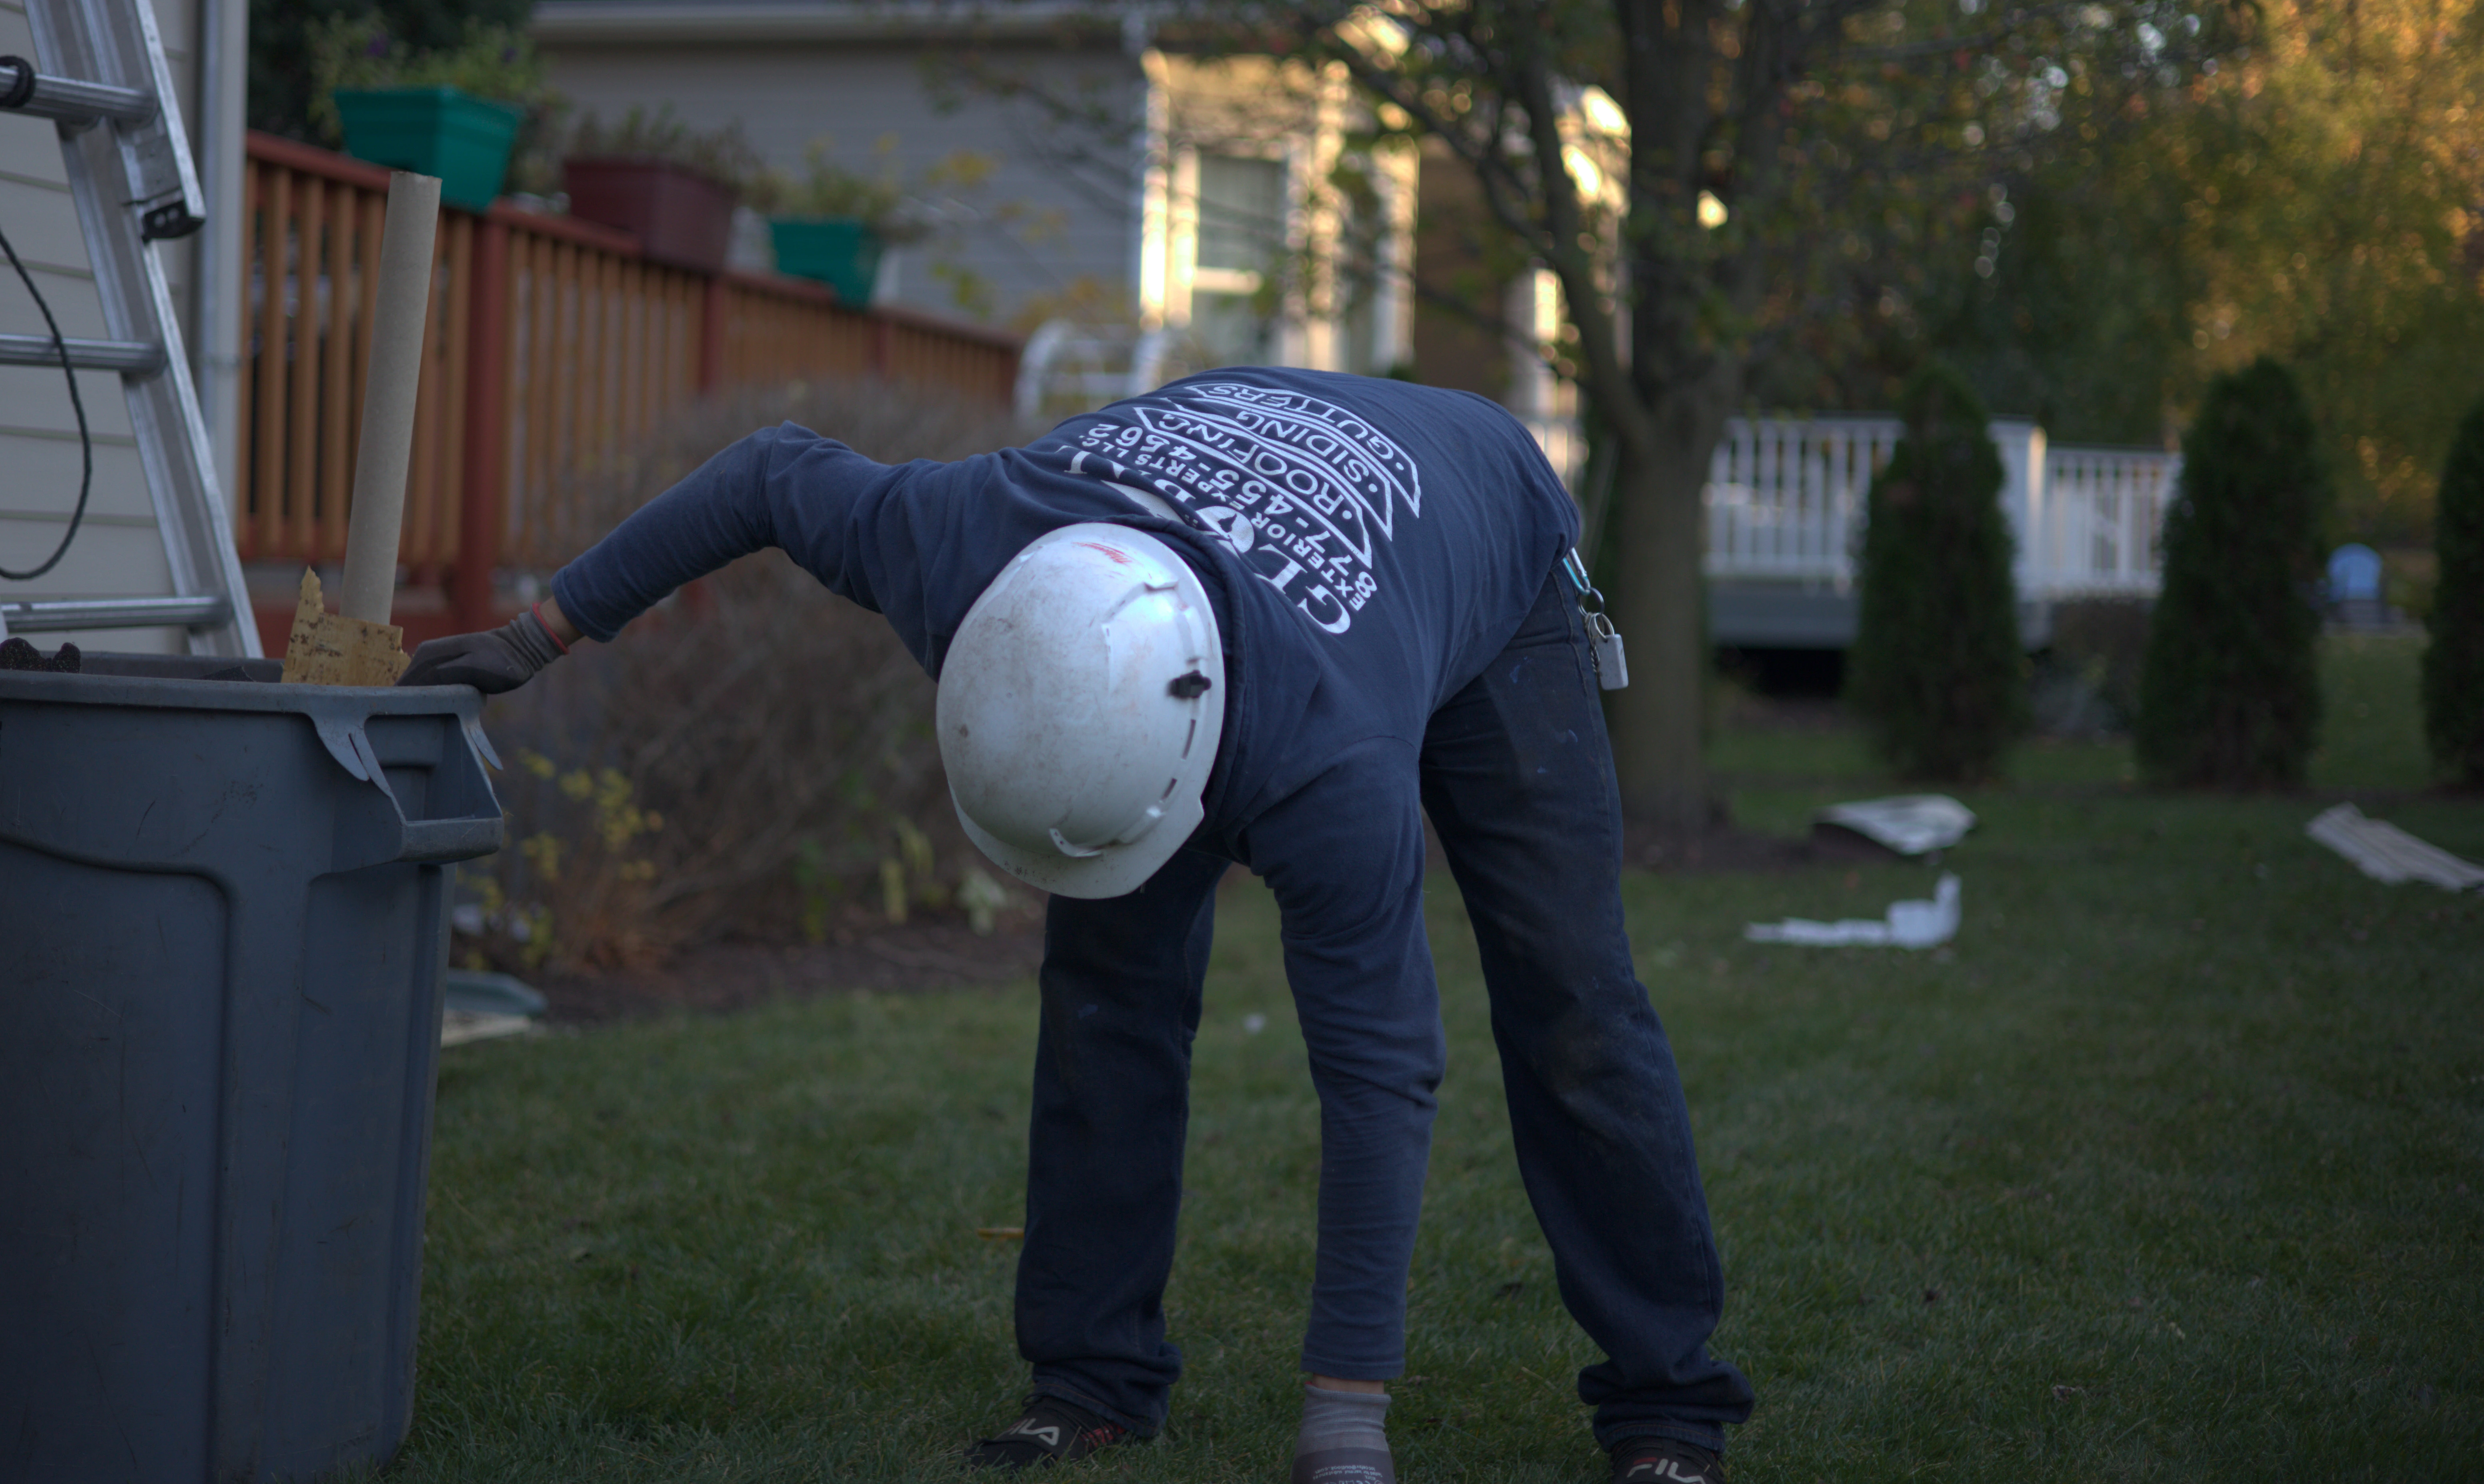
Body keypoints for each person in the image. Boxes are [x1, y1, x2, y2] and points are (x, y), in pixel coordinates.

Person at [404, 367, 1753, 1482]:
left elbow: (1380, 1072)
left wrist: (1346, 1425)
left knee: (1567, 989)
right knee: (1107, 988)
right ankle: (1091, 1378)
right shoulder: (955, 539)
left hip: (1477, 532)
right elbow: (766, 471)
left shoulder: (1327, 764)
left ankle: (1666, 1405)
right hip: (1194, 517)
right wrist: (535, 636)